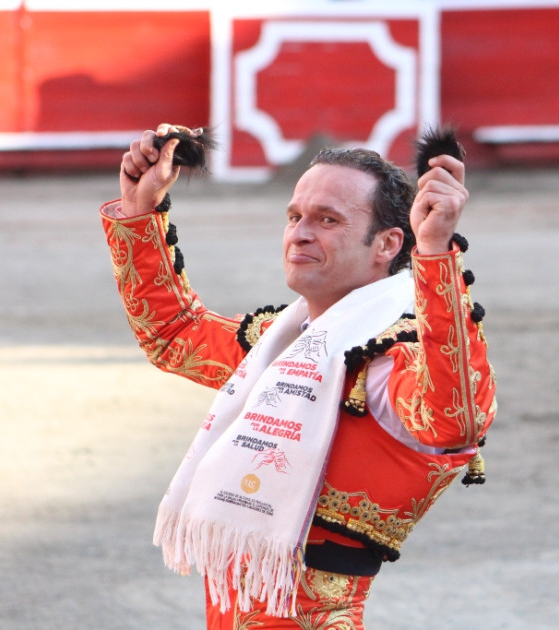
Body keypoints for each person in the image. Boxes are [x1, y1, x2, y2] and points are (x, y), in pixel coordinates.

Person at [100, 123, 497, 628]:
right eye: (294, 216)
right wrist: (140, 212)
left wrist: (436, 253)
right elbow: (175, 335)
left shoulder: (391, 358)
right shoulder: (284, 342)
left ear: (387, 244)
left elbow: (453, 418)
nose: (300, 233)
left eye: (327, 219)